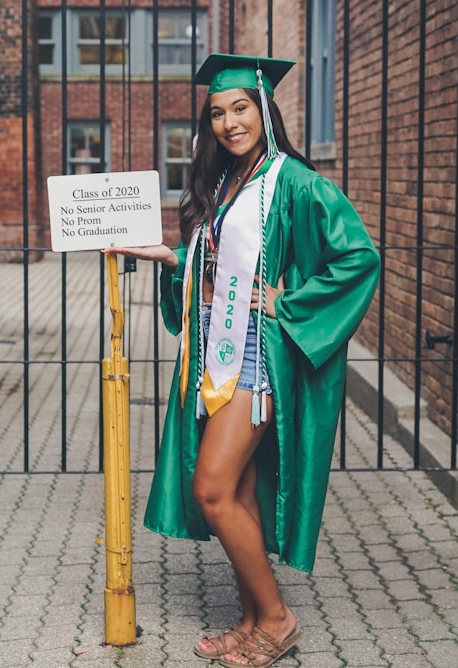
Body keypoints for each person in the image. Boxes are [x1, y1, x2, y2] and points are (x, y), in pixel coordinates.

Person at [105, 53, 380, 667]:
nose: (230, 122)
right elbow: (215, 264)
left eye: (241, 109)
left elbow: (359, 258)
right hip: (212, 347)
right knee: (243, 491)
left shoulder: (296, 183)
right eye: (218, 114)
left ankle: (278, 619)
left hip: (254, 358)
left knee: (211, 490)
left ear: (264, 109)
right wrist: (168, 256)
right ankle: (253, 619)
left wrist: (291, 300)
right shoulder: (224, 183)